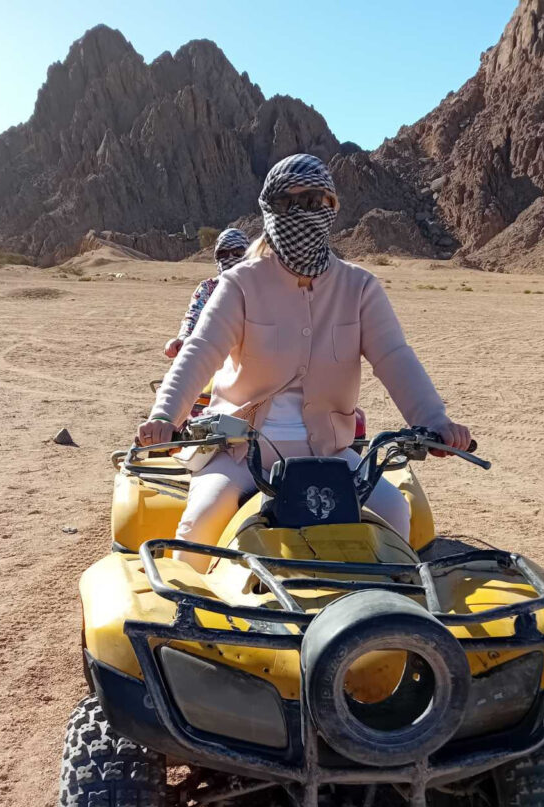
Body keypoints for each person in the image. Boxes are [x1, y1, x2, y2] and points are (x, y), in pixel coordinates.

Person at [139, 154, 471, 571]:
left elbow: (394, 357)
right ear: (270, 210)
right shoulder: (240, 284)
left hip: (330, 450)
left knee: (393, 510)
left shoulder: (359, 287)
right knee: (200, 523)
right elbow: (200, 350)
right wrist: (165, 416)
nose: (303, 213)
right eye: (289, 203)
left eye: (315, 202)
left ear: (332, 208)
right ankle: (186, 611)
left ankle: (389, 607)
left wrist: (435, 420)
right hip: (242, 450)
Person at [164, 228, 250, 358]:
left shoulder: (260, 288)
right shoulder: (208, 288)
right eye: (222, 254)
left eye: (238, 252)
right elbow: (193, 316)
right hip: (214, 359)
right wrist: (183, 338)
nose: (229, 258)